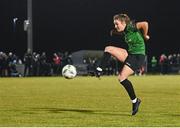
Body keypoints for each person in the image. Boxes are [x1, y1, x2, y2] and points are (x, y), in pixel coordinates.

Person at [95, 13, 150, 115]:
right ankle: (99, 70)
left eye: (117, 24)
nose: (115, 26)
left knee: (121, 78)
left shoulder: (131, 27)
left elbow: (144, 24)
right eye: (114, 24)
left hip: (138, 57)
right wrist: (114, 32)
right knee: (108, 49)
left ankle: (135, 101)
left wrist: (145, 35)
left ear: (124, 23)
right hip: (130, 54)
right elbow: (123, 32)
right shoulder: (125, 30)